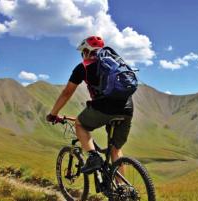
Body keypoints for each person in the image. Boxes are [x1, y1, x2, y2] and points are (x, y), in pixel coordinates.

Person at [46, 36, 133, 174]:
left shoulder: (83, 67)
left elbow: (67, 93)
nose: (82, 55)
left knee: (80, 124)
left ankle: (93, 157)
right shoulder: (116, 64)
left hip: (104, 107)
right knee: (116, 150)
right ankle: (122, 190)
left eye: (83, 52)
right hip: (127, 108)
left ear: (86, 51)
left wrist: (53, 114)